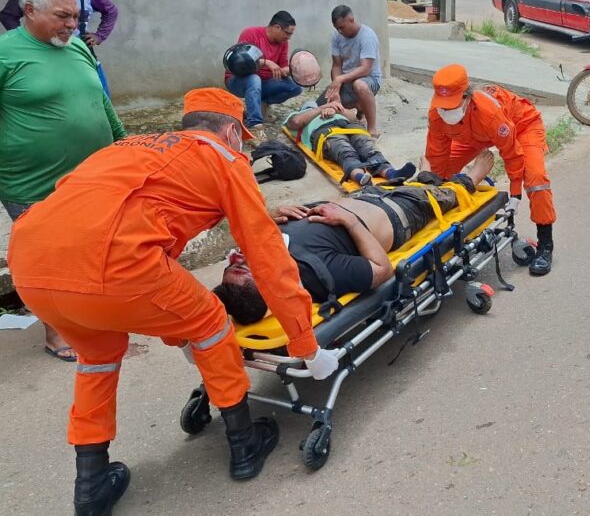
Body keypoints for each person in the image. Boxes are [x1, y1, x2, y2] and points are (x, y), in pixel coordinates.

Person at [7, 88, 341, 515]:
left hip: (31, 264)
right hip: (111, 262)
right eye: (241, 138)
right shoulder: (224, 158)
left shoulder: (127, 148)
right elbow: (268, 256)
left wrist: (175, 333)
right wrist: (305, 344)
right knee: (210, 322)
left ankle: (90, 484)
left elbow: (113, 209)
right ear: (231, 132)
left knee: (97, 358)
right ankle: (244, 445)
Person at [0, 0, 126, 362]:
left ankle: (92, 313)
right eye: (62, 16)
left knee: (91, 249)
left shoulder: (78, 47)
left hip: (93, 177)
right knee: (48, 259)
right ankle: (57, 332)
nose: (72, 24)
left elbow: (101, 101)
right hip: (32, 183)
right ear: (29, 10)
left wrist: (125, 145)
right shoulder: (5, 53)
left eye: (75, 16)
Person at [214, 151, 496, 322]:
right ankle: (470, 178)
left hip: (364, 196)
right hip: (400, 212)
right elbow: (382, 270)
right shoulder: (320, 273)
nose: (239, 256)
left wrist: (273, 215)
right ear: (271, 286)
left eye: (233, 264)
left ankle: (424, 177)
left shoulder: (261, 247)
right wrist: (349, 221)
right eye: (244, 267)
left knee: (408, 184)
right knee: (444, 195)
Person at [425, 64, 556, 276]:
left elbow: (511, 152)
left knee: (536, 179)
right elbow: (437, 156)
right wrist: (432, 186)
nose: (446, 111)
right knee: (442, 175)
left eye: (452, 106)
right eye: (443, 106)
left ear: (467, 97)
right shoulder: (437, 113)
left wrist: (515, 193)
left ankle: (545, 244)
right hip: (474, 135)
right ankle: (446, 233)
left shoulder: (489, 112)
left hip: (521, 126)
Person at [285, 99, 416, 185]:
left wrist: (335, 109)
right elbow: (296, 122)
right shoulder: (297, 115)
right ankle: (359, 176)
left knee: (366, 145)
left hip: (347, 125)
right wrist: (321, 109)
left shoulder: (332, 108)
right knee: (343, 149)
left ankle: (390, 173)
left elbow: (353, 117)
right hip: (324, 131)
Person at [225, 11, 303, 142]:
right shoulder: (250, 33)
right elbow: (240, 63)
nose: (289, 38)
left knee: (295, 87)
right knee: (254, 79)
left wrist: (292, 69)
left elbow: (283, 65)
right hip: (238, 80)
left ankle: (259, 107)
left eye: (291, 34)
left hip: (264, 82)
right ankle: (255, 126)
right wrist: (266, 62)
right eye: (287, 33)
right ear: (277, 27)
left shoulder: (283, 43)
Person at [316, 5, 383, 137]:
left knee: (359, 85)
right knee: (318, 109)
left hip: (369, 80)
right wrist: (336, 87)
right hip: (346, 82)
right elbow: (336, 65)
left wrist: (340, 79)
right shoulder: (336, 36)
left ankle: (373, 129)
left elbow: (365, 69)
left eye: (342, 27)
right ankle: (359, 107)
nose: (340, 31)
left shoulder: (367, 37)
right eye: (337, 28)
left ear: (351, 20)